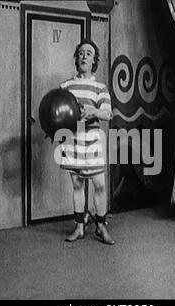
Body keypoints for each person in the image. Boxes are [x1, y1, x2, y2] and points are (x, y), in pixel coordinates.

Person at [60, 39, 115, 245]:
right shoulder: (66, 86)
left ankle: (101, 226)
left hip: (92, 140)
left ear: (94, 61)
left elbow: (108, 114)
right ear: (77, 59)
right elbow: (58, 110)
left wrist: (93, 111)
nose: (84, 56)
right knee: (77, 184)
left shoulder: (100, 87)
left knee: (99, 184)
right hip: (72, 139)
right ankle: (79, 227)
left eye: (89, 53)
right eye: (81, 53)